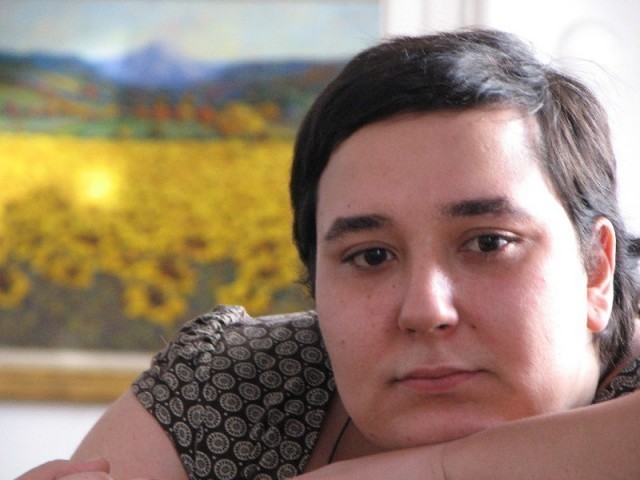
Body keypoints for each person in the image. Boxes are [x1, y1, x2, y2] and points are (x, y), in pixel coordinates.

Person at [17, 27, 640, 480]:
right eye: (371, 256)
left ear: (596, 270)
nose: (425, 310)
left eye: (488, 243)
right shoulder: (237, 386)